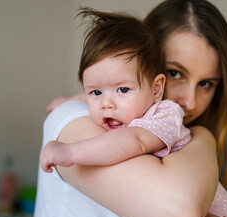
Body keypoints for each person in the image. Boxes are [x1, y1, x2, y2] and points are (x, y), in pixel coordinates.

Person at [35, 0, 227, 217]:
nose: (190, 102)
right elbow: (179, 211)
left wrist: (203, 138)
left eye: (205, 84)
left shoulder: (166, 124)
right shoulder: (76, 119)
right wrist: (203, 139)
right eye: (175, 73)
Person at [40, 9, 191, 172]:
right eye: (96, 92)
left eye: (123, 89)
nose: (106, 104)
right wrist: (68, 102)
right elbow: (89, 97)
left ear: (156, 89)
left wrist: (70, 152)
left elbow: (135, 141)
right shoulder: (116, 105)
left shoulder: (167, 114)